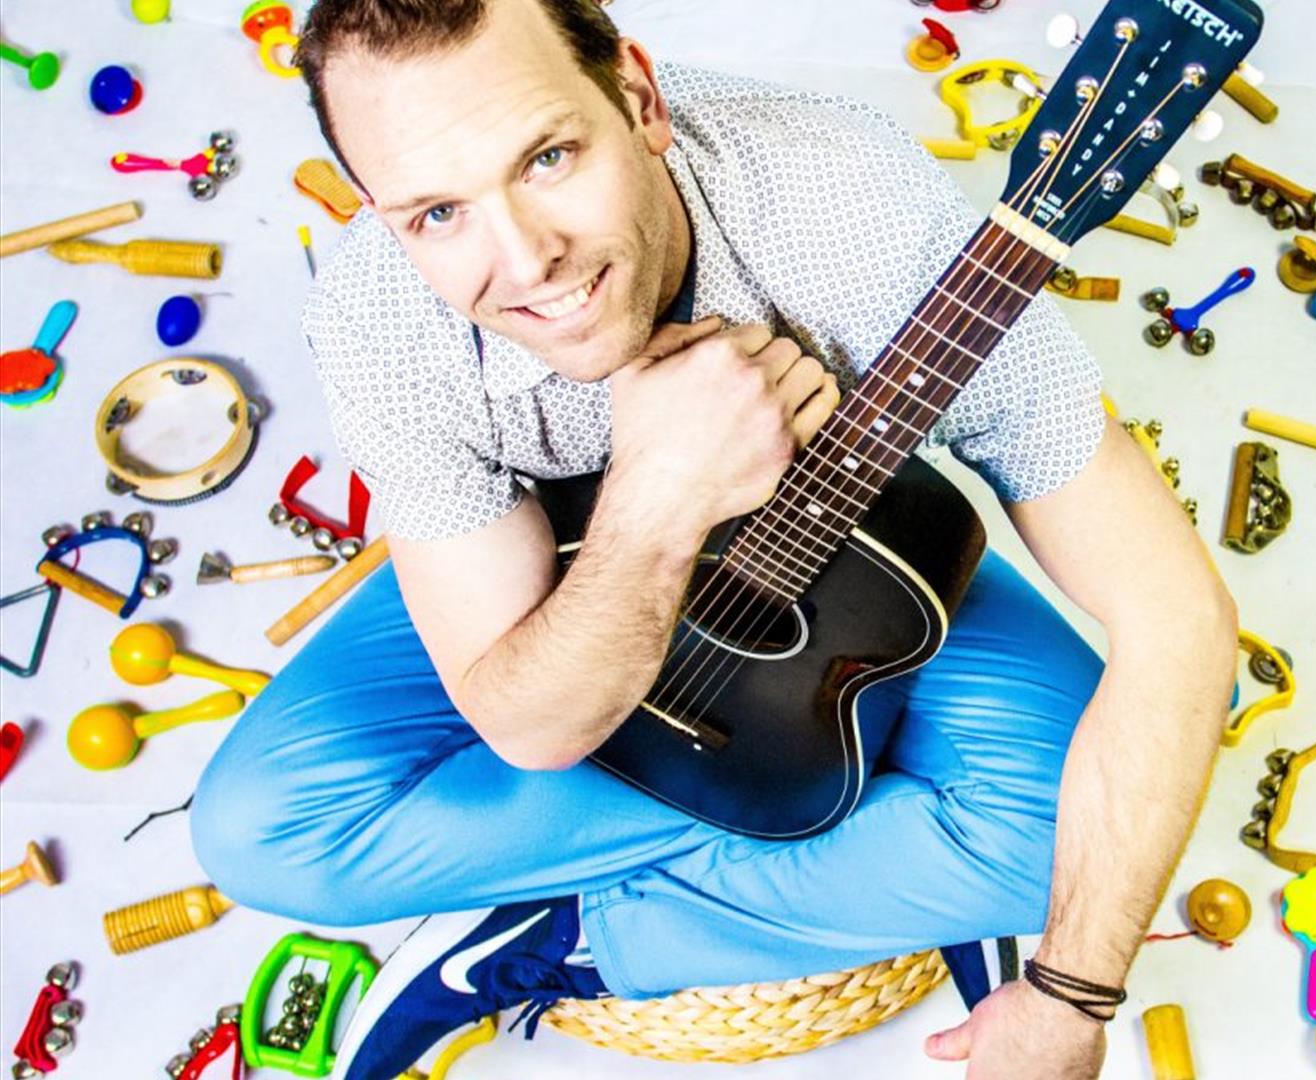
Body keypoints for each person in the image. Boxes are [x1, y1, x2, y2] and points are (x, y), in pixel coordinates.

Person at [189, 1, 1237, 1076]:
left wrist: (1071, 995)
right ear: (377, 209)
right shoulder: (378, 318)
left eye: (548, 156)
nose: (528, 261)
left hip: (849, 554)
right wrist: (657, 492)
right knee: (259, 834)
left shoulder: (857, 210)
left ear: (638, 98)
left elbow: (1181, 619)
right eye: (436, 213)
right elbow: (533, 729)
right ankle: (865, 843)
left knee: (1080, 844)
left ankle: (562, 938)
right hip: (555, 563)